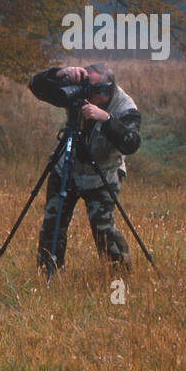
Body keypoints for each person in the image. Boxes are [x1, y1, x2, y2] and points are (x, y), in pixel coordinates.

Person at [29, 63, 141, 272]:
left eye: (93, 90)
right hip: (67, 167)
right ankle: (48, 274)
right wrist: (59, 73)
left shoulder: (125, 107)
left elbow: (132, 143)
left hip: (102, 174)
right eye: (86, 86)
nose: (87, 95)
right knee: (52, 224)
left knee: (103, 228)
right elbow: (36, 87)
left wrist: (106, 120)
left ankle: (120, 274)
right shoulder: (77, 93)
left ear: (106, 91)